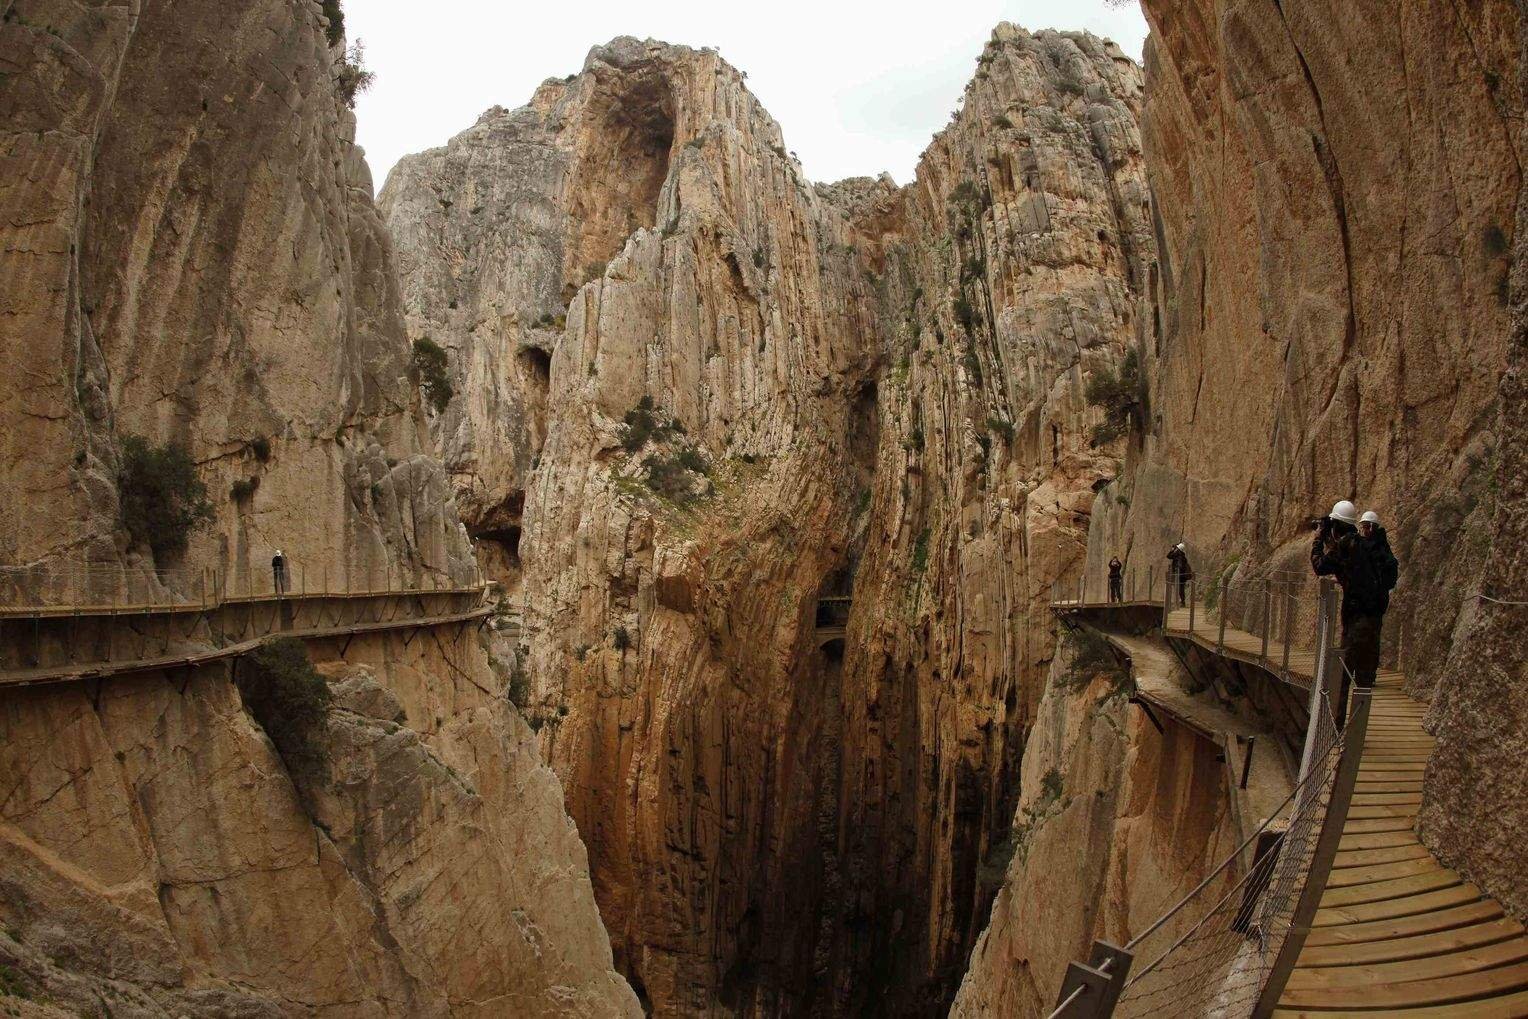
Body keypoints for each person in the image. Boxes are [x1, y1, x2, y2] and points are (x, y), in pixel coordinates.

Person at [1310, 500, 1387, 727]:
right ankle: (1358, 728)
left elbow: (1319, 566)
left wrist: (1317, 539)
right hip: (1373, 617)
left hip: (1357, 619)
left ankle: (1337, 728)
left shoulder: (1345, 546)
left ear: (1336, 526)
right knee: (1363, 677)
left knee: (1342, 673)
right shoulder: (1363, 544)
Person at [1359, 510, 1399, 614]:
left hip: (1375, 598)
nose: (1364, 530)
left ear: (1372, 527)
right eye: (1364, 527)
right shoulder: (1375, 544)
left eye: (1367, 527)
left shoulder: (1378, 547)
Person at [1166, 542, 1192, 607]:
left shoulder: (1178, 555)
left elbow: (1168, 556)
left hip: (1179, 575)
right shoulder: (1182, 555)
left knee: (1180, 589)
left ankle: (1181, 602)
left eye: (1177, 548)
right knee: (1181, 588)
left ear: (1178, 549)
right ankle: (1181, 602)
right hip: (1182, 575)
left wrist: (1172, 550)